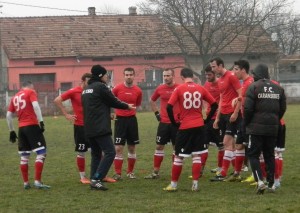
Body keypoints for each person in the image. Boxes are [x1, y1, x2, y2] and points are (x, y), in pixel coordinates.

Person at [54, 73, 116, 184]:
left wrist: (108, 114)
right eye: (88, 81)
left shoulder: (94, 91)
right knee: (81, 151)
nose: (90, 83)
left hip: (94, 126)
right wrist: (66, 114)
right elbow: (57, 100)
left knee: (99, 152)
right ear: (82, 81)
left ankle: (101, 175)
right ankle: (83, 177)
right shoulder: (74, 91)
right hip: (80, 127)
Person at [81, 64, 135, 191]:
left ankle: (94, 179)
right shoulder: (100, 86)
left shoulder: (86, 89)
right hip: (100, 126)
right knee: (110, 152)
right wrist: (127, 106)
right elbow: (113, 101)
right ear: (101, 75)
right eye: (106, 75)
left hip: (89, 127)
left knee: (96, 154)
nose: (107, 77)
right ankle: (97, 178)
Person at [163, 68, 218, 192]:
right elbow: (214, 104)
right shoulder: (201, 88)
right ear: (192, 76)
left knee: (178, 156)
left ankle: (174, 185)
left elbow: (168, 107)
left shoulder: (179, 89)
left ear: (182, 77)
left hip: (185, 126)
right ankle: (195, 184)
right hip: (199, 126)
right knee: (197, 155)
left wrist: (173, 123)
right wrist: (206, 120)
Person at [244, 64, 286, 194]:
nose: (252, 76)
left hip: (255, 128)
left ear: (257, 75)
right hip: (273, 128)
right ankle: (271, 183)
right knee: (269, 155)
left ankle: (260, 181)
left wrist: (247, 123)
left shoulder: (254, 86)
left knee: (253, 155)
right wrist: (274, 119)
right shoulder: (278, 88)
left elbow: (248, 109)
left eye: (254, 74)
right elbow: (282, 108)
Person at [6, 81, 50, 189]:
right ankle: (37, 182)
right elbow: (35, 106)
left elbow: (8, 115)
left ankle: (26, 183)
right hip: (32, 126)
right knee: (41, 153)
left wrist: (11, 130)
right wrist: (41, 121)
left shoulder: (15, 96)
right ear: (30, 86)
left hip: (21, 128)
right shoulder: (30, 92)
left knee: (24, 156)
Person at [209, 57, 242, 182]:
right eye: (211, 67)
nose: (212, 69)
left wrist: (236, 112)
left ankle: (223, 173)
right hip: (223, 114)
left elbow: (240, 95)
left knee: (227, 142)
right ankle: (236, 172)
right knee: (230, 145)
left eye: (214, 67)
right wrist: (217, 117)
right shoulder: (220, 80)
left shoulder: (231, 76)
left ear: (221, 65)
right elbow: (222, 98)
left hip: (231, 115)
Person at [144, 68, 180, 179]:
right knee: (159, 146)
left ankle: (175, 172)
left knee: (176, 148)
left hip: (176, 123)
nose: (166, 78)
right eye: (164, 76)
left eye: (168, 75)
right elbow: (152, 100)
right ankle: (155, 172)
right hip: (164, 122)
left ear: (173, 76)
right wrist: (157, 114)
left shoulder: (179, 88)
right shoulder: (160, 88)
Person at [225, 59, 254, 182]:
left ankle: (256, 174)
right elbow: (242, 97)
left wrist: (238, 101)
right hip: (243, 118)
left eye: (236, 69)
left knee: (253, 147)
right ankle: (237, 173)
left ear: (243, 70)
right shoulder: (244, 82)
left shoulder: (250, 82)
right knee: (239, 145)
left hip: (250, 120)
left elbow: (247, 99)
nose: (233, 72)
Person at [111, 67, 143, 180]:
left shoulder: (138, 90)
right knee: (118, 148)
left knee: (132, 147)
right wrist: (112, 113)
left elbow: (137, 104)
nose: (129, 77)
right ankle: (118, 173)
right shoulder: (117, 89)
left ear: (134, 76)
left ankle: (130, 172)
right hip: (120, 120)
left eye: (131, 75)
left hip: (132, 120)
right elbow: (110, 100)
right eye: (127, 75)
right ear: (124, 75)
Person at [202, 65, 223, 174]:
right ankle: (201, 169)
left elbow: (224, 99)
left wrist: (218, 116)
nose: (207, 76)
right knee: (204, 144)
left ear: (214, 74)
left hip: (218, 118)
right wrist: (206, 108)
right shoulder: (206, 84)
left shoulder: (221, 84)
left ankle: (220, 168)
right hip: (209, 119)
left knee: (221, 145)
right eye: (206, 75)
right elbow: (204, 98)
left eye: (209, 74)